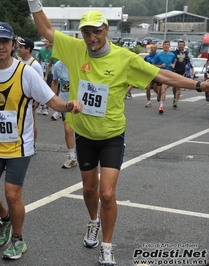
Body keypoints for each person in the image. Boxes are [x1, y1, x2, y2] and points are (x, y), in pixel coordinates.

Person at [27, 2, 209, 265]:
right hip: (84, 134)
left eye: (96, 32)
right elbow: (44, 28)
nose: (92, 38)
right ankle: (93, 222)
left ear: (107, 30)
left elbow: (161, 75)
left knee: (107, 193)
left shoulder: (125, 58)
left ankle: (107, 245)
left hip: (112, 135)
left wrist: (199, 85)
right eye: (87, 33)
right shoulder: (76, 49)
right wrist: (34, 3)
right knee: (89, 189)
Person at [0, 21, 83, 260]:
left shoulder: (26, 72)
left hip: (19, 147)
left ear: (14, 44)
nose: (1, 46)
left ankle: (18, 239)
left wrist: (68, 105)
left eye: (6, 41)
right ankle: (4, 218)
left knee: (13, 195)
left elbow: (51, 99)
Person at [16, 36, 43, 151]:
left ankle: (32, 144)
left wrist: (37, 100)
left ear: (28, 49)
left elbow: (40, 83)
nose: (19, 49)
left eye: (21, 47)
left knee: (31, 122)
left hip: (30, 98)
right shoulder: (18, 61)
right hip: (18, 97)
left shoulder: (35, 64)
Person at [51, 60, 77, 169]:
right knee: (68, 130)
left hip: (81, 103)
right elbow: (54, 82)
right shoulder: (58, 66)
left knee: (85, 131)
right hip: (66, 104)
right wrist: (53, 98)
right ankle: (72, 157)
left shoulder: (79, 62)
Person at [151, 40, 176, 114]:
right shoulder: (158, 55)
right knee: (158, 91)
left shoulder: (172, 55)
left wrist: (173, 65)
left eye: (167, 45)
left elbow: (174, 61)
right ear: (163, 46)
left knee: (163, 90)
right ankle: (159, 97)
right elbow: (152, 64)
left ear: (169, 46)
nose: (166, 46)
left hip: (168, 74)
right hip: (159, 74)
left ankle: (161, 106)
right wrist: (160, 66)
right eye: (164, 44)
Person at [36, 38, 54, 115]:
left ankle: (47, 108)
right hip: (42, 73)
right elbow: (39, 61)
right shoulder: (41, 50)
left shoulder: (53, 52)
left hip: (51, 73)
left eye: (47, 41)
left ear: (50, 43)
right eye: (44, 41)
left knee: (49, 90)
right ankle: (41, 106)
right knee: (41, 89)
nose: (45, 43)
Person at [171, 40, 190, 108]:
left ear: (184, 46)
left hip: (182, 71)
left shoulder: (186, 53)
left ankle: (176, 101)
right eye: (180, 45)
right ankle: (174, 97)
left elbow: (188, 61)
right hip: (175, 71)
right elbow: (171, 60)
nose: (181, 46)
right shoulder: (174, 53)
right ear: (178, 45)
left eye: (182, 45)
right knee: (174, 87)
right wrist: (172, 64)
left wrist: (187, 65)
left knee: (179, 86)